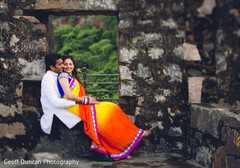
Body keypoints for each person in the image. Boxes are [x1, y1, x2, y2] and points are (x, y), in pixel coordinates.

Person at [57, 55, 151, 160]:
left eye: (71, 64)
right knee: (105, 117)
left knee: (113, 108)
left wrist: (89, 99)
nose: (68, 66)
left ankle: (129, 141)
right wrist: (87, 100)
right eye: (66, 64)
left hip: (80, 103)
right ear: (62, 65)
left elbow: (77, 95)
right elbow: (69, 96)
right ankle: (122, 147)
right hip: (74, 106)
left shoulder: (71, 77)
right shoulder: (63, 76)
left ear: (74, 65)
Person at [40, 53, 81, 134]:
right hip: (55, 113)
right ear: (52, 67)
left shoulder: (58, 75)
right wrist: (76, 102)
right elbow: (55, 102)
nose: (63, 66)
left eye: (62, 63)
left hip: (64, 107)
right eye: (60, 64)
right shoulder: (48, 79)